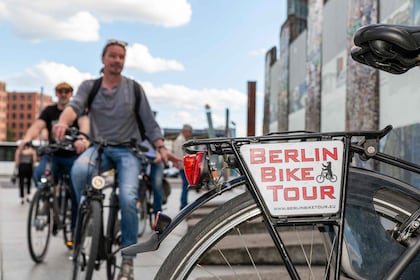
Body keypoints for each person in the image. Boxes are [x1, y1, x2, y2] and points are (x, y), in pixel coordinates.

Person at [53, 39, 168, 280]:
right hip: (99, 147)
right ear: (103, 59)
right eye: (113, 56)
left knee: (127, 197)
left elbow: (149, 122)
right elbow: (73, 107)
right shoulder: (89, 86)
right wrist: (63, 121)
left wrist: (160, 146)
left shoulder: (134, 88)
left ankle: (127, 259)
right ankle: (88, 209)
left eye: (121, 57)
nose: (117, 60)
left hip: (128, 150)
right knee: (78, 171)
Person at [18, 82, 89, 235]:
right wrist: (27, 139)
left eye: (67, 91)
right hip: (53, 155)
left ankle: (76, 229)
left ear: (71, 93)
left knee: (76, 190)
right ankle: (49, 200)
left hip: (72, 156)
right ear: (56, 93)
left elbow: (84, 126)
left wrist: (82, 140)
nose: (63, 94)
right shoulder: (49, 111)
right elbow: (37, 126)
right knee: (39, 174)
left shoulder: (77, 110)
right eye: (60, 91)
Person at [173, 124, 193, 210]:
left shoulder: (182, 139)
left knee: (186, 185)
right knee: (186, 185)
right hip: (184, 167)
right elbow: (179, 155)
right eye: (190, 132)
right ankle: (183, 205)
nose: (190, 134)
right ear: (185, 131)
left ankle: (183, 204)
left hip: (184, 166)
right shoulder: (180, 140)